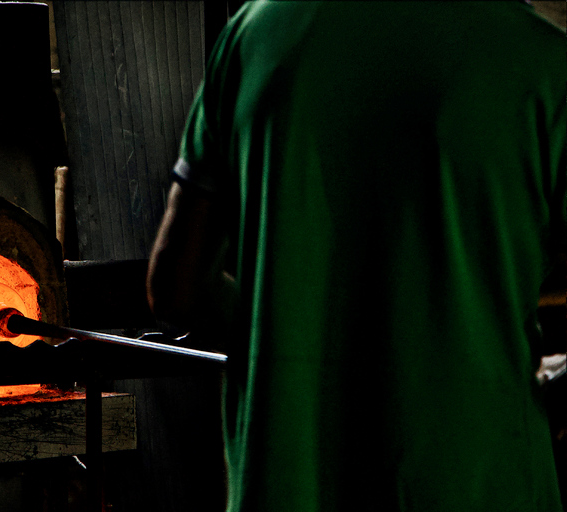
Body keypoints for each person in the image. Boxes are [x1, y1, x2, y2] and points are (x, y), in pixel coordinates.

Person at [146, 1, 566, 511]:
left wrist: (290, 335)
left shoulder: (255, 33)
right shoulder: (541, 59)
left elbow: (175, 287)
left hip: (285, 480)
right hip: (477, 477)